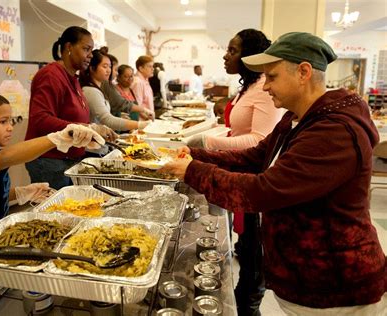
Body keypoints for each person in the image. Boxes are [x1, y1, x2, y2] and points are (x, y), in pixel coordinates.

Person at [160, 32, 386, 314]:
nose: (265, 87)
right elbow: (254, 157)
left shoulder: (334, 131)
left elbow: (264, 191)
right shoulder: (296, 117)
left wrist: (193, 171)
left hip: (336, 287)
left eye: (273, 76)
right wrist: (195, 155)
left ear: (303, 72)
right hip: (305, 278)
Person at [0, 92, 104, 279]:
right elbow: (7, 156)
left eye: (11, 121)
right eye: (3, 122)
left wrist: (21, 193)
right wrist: (57, 138)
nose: (10, 128)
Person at [190, 29, 283, 316]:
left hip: (254, 177)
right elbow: (237, 131)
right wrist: (204, 136)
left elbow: (258, 141)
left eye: (232, 50)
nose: (225, 55)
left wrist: (206, 142)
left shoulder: (265, 90)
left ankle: (248, 307)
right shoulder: (250, 86)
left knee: (255, 261)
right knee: (247, 248)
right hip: (241, 170)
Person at [24, 26, 117, 189]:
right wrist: (88, 127)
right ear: (68, 47)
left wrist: (92, 132)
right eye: (86, 49)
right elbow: (41, 119)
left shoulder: (73, 76)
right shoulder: (50, 75)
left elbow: (72, 116)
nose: (90, 55)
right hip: (50, 159)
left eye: (91, 50)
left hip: (69, 158)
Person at [80, 49, 150, 132]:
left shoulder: (99, 88)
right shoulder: (91, 91)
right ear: (92, 68)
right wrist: (139, 125)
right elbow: (107, 120)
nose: (109, 70)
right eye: (104, 66)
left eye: (110, 67)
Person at [100, 49, 153, 120]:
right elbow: (121, 104)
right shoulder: (109, 86)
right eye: (126, 76)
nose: (152, 69)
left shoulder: (132, 87)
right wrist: (144, 110)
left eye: (131, 76)